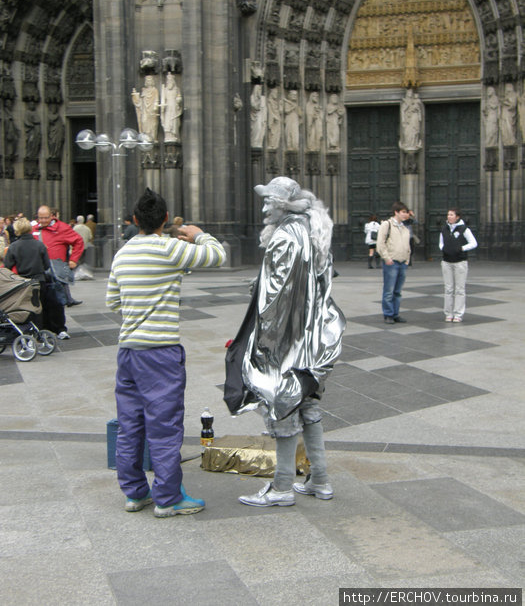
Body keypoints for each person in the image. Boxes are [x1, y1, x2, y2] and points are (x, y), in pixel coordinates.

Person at [225, 177, 346, 507]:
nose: (264, 207)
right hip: (310, 335)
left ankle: (281, 488)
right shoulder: (310, 229)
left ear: (282, 204)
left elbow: (276, 296)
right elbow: (314, 278)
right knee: (307, 403)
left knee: (282, 405)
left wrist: (265, 343)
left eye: (269, 201)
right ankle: (320, 480)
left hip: (284, 338)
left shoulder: (283, 235)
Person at [106, 188, 226, 517]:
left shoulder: (122, 254)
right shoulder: (169, 248)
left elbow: (112, 302)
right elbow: (217, 256)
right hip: (160, 352)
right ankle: (168, 498)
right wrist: (200, 235)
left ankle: (134, 494)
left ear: (134, 220)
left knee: (130, 425)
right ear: (164, 219)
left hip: (128, 351)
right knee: (164, 425)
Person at [32, 205, 84, 337]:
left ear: (51, 216)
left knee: (57, 300)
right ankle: (44, 328)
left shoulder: (62, 228)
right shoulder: (34, 229)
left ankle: (60, 328)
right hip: (40, 270)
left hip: (56, 270)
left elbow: (78, 241)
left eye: (45, 218)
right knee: (41, 300)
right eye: (40, 218)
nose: (43, 220)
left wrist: (73, 259)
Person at [3, 217, 50, 328]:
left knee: (25, 308)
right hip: (40, 280)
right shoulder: (39, 245)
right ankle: (40, 331)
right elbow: (47, 265)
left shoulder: (14, 246)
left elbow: (7, 266)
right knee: (39, 307)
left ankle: (28, 331)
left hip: (23, 283)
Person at [439, 208, 478, 322]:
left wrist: (461, 248)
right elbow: (441, 242)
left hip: (460, 262)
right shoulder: (444, 229)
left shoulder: (464, 229)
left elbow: (473, 243)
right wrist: (445, 249)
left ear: (457, 217)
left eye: (451, 214)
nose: (449, 216)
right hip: (446, 261)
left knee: (460, 289)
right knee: (448, 288)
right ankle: (448, 313)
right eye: (448, 214)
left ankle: (458, 313)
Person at [376, 201, 411, 324]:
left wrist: (407, 258)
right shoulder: (387, 225)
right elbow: (380, 243)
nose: (405, 214)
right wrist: (386, 258)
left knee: (398, 291)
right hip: (392, 262)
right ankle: (388, 314)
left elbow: (407, 245)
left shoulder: (405, 228)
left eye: (406, 212)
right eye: (403, 212)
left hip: (402, 262)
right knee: (389, 290)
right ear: (396, 212)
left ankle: (396, 313)